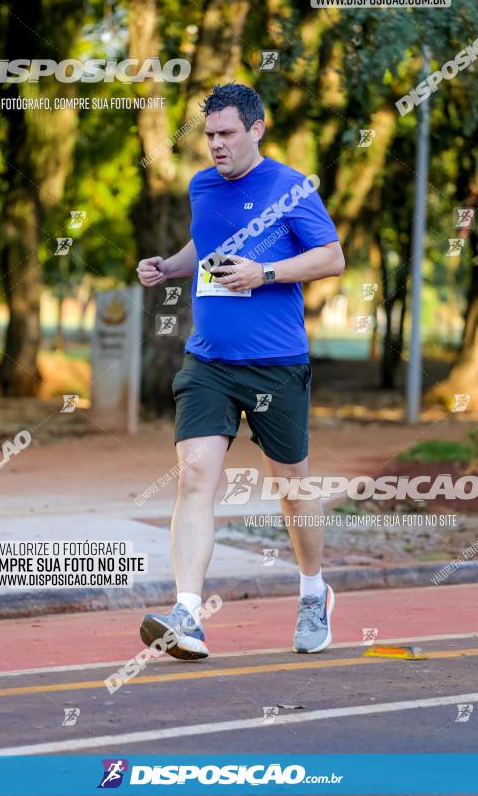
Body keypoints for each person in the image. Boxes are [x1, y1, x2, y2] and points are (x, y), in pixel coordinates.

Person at [136, 83, 344, 660]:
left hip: (277, 365)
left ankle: (311, 592)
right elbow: (203, 244)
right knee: (194, 476)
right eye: (208, 135)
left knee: (291, 488)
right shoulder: (201, 185)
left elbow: (332, 258)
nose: (216, 145)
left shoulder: (290, 186)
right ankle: (187, 613)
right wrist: (167, 267)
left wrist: (266, 272)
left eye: (227, 133)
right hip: (208, 362)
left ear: (257, 128)